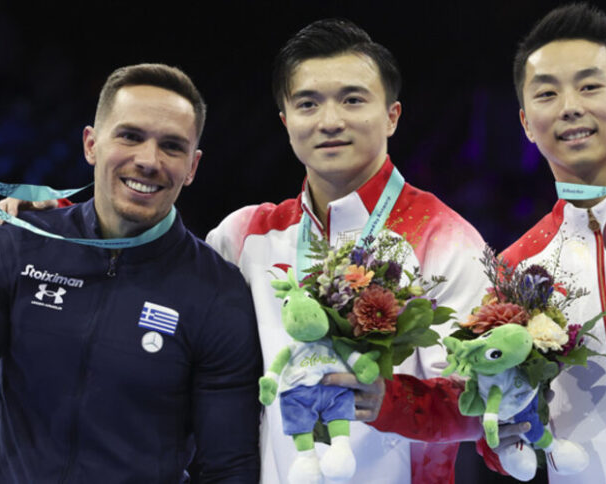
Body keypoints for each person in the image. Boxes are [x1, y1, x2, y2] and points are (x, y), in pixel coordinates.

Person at [365, 3, 606, 483]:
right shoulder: (516, 271)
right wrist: (506, 434)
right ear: (525, 124)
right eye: (547, 93)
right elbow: (487, 416)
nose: (569, 107)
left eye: (589, 86)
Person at [0, 63, 262, 483]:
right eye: (130, 136)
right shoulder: (19, 243)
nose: (149, 160)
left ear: (193, 166)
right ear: (91, 144)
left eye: (172, 146)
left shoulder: (218, 293)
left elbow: (227, 470)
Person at [203, 19, 497, 483]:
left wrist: (391, 401)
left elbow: (486, 402)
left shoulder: (445, 238)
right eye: (308, 104)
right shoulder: (244, 236)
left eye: (352, 100)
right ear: (285, 122)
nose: (330, 121)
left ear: (392, 116)